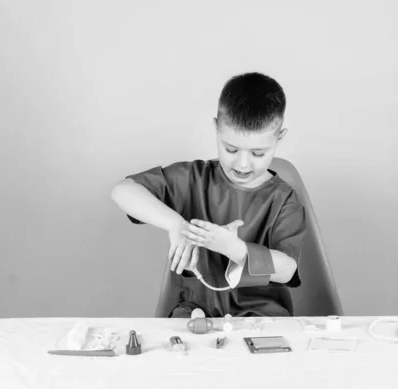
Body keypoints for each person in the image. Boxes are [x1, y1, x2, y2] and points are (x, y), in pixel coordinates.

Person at [111, 72, 306, 318]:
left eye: (258, 153)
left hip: (262, 317)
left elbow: (287, 269)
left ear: (280, 138)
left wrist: (235, 249)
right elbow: (123, 191)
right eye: (231, 149)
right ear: (216, 129)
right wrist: (175, 224)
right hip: (194, 312)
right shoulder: (193, 178)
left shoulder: (284, 200)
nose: (243, 164)